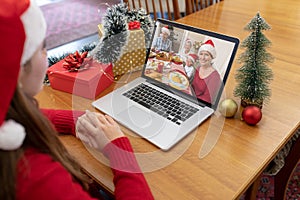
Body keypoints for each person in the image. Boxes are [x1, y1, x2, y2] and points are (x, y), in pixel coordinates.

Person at [0, 1, 154, 200]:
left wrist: (79, 120)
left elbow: (33, 117)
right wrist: (119, 150)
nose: (46, 55)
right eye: (42, 48)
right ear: (17, 71)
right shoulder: (37, 179)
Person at [191, 39, 222, 104]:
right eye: (201, 54)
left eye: (206, 55)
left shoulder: (215, 76)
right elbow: (191, 85)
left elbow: (207, 99)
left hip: (199, 104)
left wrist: (190, 99)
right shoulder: (198, 68)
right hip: (189, 98)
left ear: (212, 57)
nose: (203, 57)